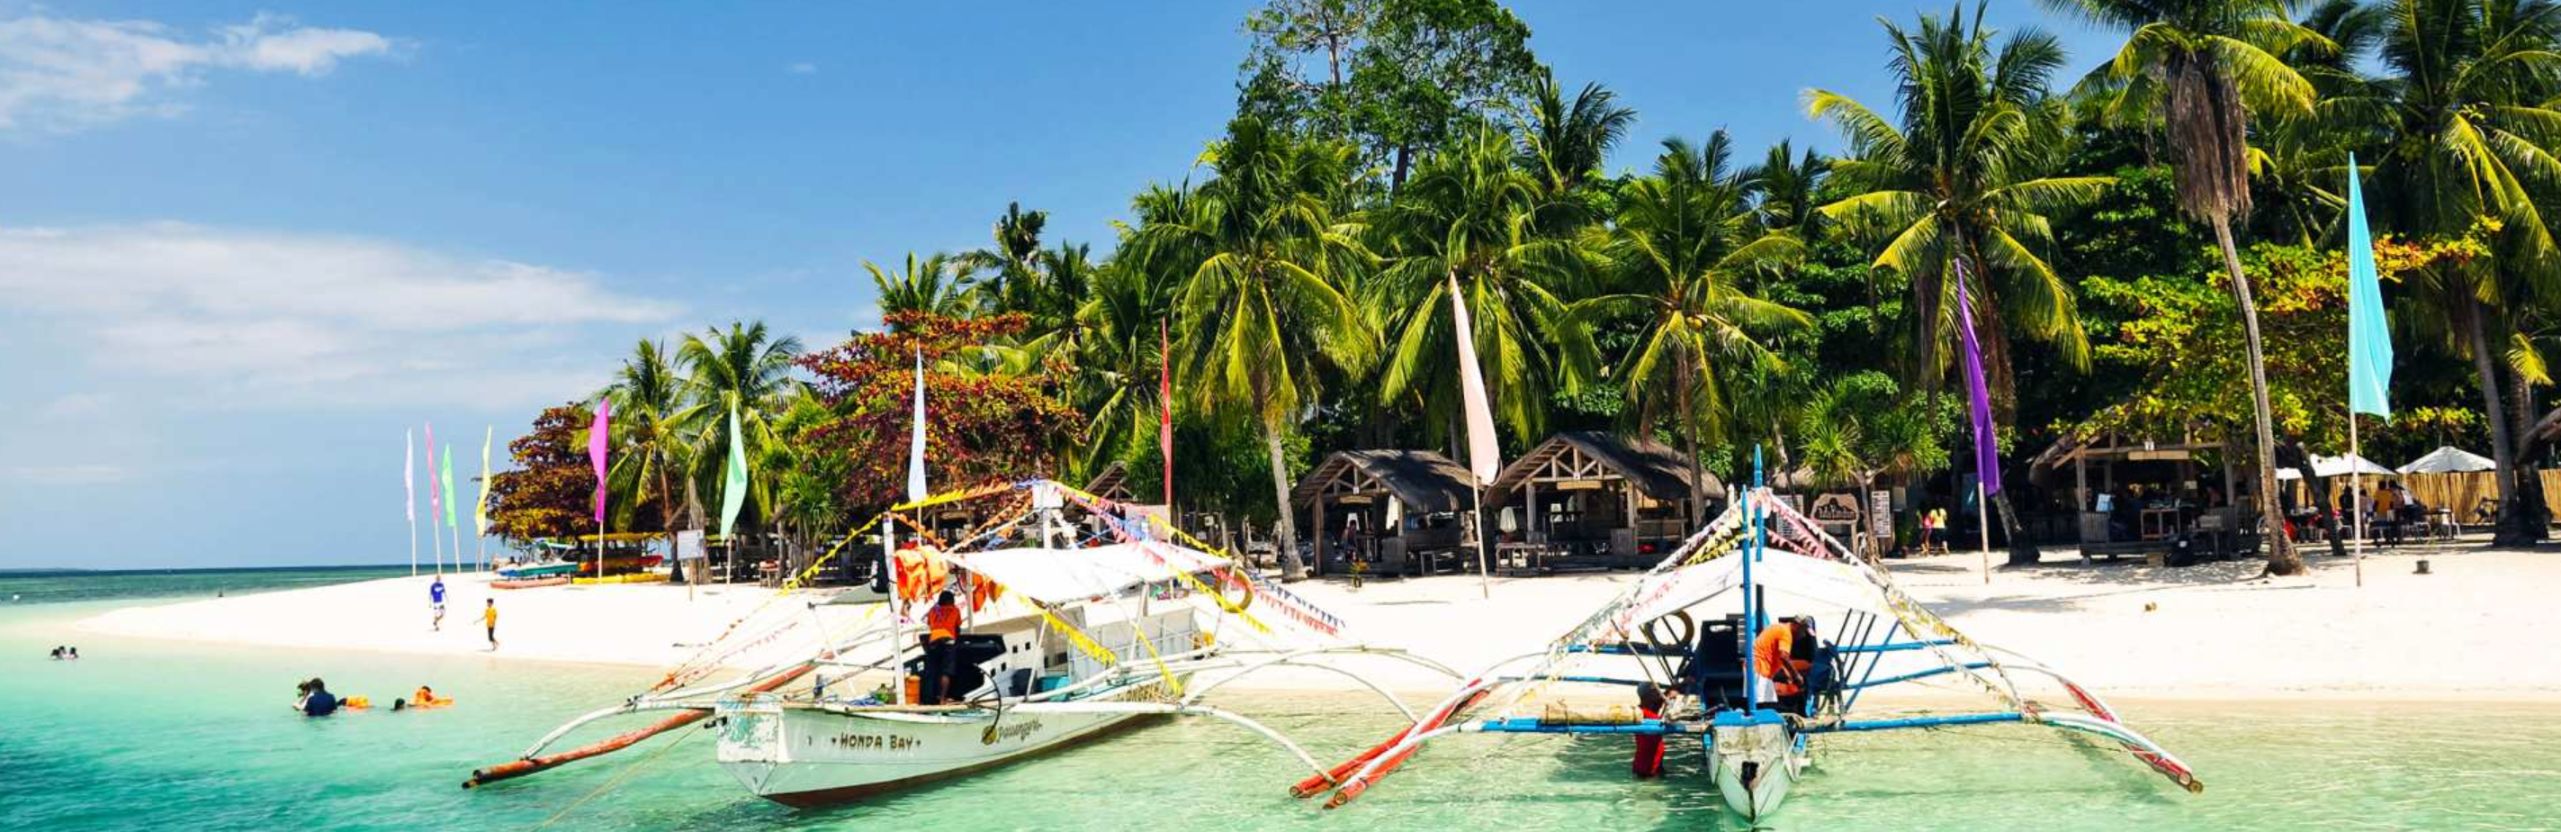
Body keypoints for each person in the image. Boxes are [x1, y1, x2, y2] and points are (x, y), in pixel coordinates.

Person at [1753, 616, 1816, 716]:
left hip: (1758, 669)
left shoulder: (1780, 628)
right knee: (1766, 710)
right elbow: (1784, 657)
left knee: (1765, 708)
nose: (1803, 636)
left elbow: (1780, 659)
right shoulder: (1786, 634)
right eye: (1803, 631)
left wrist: (1789, 675)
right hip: (1759, 670)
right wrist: (1796, 676)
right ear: (1796, 626)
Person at [920, 590, 963, 704]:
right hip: (948, 641)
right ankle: (943, 699)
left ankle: (930, 698)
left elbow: (930, 624)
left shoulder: (933, 610)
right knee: (946, 672)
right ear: (951, 601)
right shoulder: (955, 610)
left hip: (933, 641)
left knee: (933, 671)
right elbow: (958, 626)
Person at [1631, 682, 1666, 779]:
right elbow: (1663, 721)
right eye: (1656, 693)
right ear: (1647, 696)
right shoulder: (1644, 714)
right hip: (1647, 769)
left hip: (1653, 764)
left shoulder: (1648, 709)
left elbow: (1662, 699)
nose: (1659, 695)